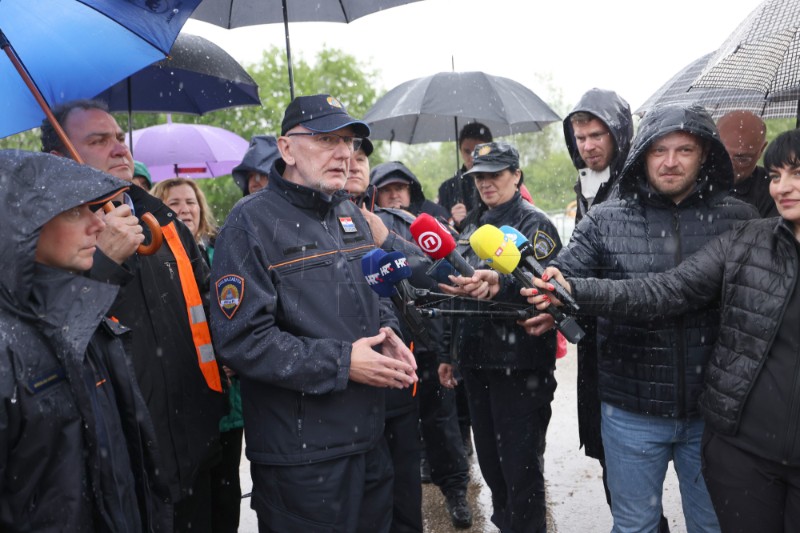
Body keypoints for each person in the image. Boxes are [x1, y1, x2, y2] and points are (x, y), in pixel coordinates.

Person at [526, 127, 800, 533]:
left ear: (704, 154)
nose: (671, 161)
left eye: (684, 150)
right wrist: (550, 291)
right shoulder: (750, 236)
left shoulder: (739, 219)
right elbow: (661, 291)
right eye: (776, 175)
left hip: (715, 413)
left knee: (711, 526)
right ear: (642, 155)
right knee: (637, 525)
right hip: (635, 407)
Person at [209, 94, 418, 532]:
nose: (345, 153)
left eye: (350, 141)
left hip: (369, 440)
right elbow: (242, 340)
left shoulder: (350, 213)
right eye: (327, 139)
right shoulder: (249, 224)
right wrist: (343, 362)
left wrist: (388, 331)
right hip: (300, 460)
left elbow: (376, 290)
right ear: (286, 149)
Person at [41, 99, 227, 532]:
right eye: (98, 140)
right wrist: (103, 264)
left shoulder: (162, 220)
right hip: (122, 460)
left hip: (197, 442)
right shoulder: (45, 235)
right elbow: (50, 340)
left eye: (119, 138)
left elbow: (205, 302)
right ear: (60, 155)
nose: (120, 149)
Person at [0, 150, 170, 531]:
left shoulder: (85, 315)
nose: (99, 224)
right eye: (76, 211)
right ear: (19, 227)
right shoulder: (8, 345)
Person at [439, 141, 562, 533]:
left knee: (521, 471)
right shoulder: (471, 225)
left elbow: (545, 287)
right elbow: (457, 291)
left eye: (495, 174)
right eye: (479, 177)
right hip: (476, 364)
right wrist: (449, 351)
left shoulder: (534, 224)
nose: (486, 183)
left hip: (521, 366)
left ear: (516, 175)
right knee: (492, 468)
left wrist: (502, 286)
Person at [367, 160, 473, 530]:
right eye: (387, 188)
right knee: (399, 441)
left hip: (430, 342)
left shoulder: (424, 226)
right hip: (391, 349)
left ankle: (456, 491)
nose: (395, 194)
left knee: (443, 423)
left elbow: (444, 279)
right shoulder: (365, 224)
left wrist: (448, 349)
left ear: (412, 190)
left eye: (401, 187)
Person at [562, 87, 649, 525]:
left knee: (632, 472)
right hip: (594, 341)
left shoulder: (636, 185)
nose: (588, 146)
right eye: (580, 137)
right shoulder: (587, 185)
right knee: (607, 459)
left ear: (618, 134)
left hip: (630, 340)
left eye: (597, 135)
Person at [152, 178, 243, 533]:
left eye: (190, 201)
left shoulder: (222, 250)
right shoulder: (156, 257)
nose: (185, 209)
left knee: (227, 489)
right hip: (186, 399)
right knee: (195, 499)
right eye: (174, 203)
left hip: (228, 398)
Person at [717, 110, 778, 217]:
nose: (727, 166)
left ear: (761, 150)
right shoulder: (692, 181)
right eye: (721, 154)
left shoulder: (775, 191)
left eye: (742, 159)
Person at [437, 122, 493, 229]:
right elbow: (440, 226)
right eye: (467, 151)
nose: (472, 158)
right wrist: (453, 222)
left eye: (478, 151)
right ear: (460, 150)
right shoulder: (447, 188)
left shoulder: (502, 182)